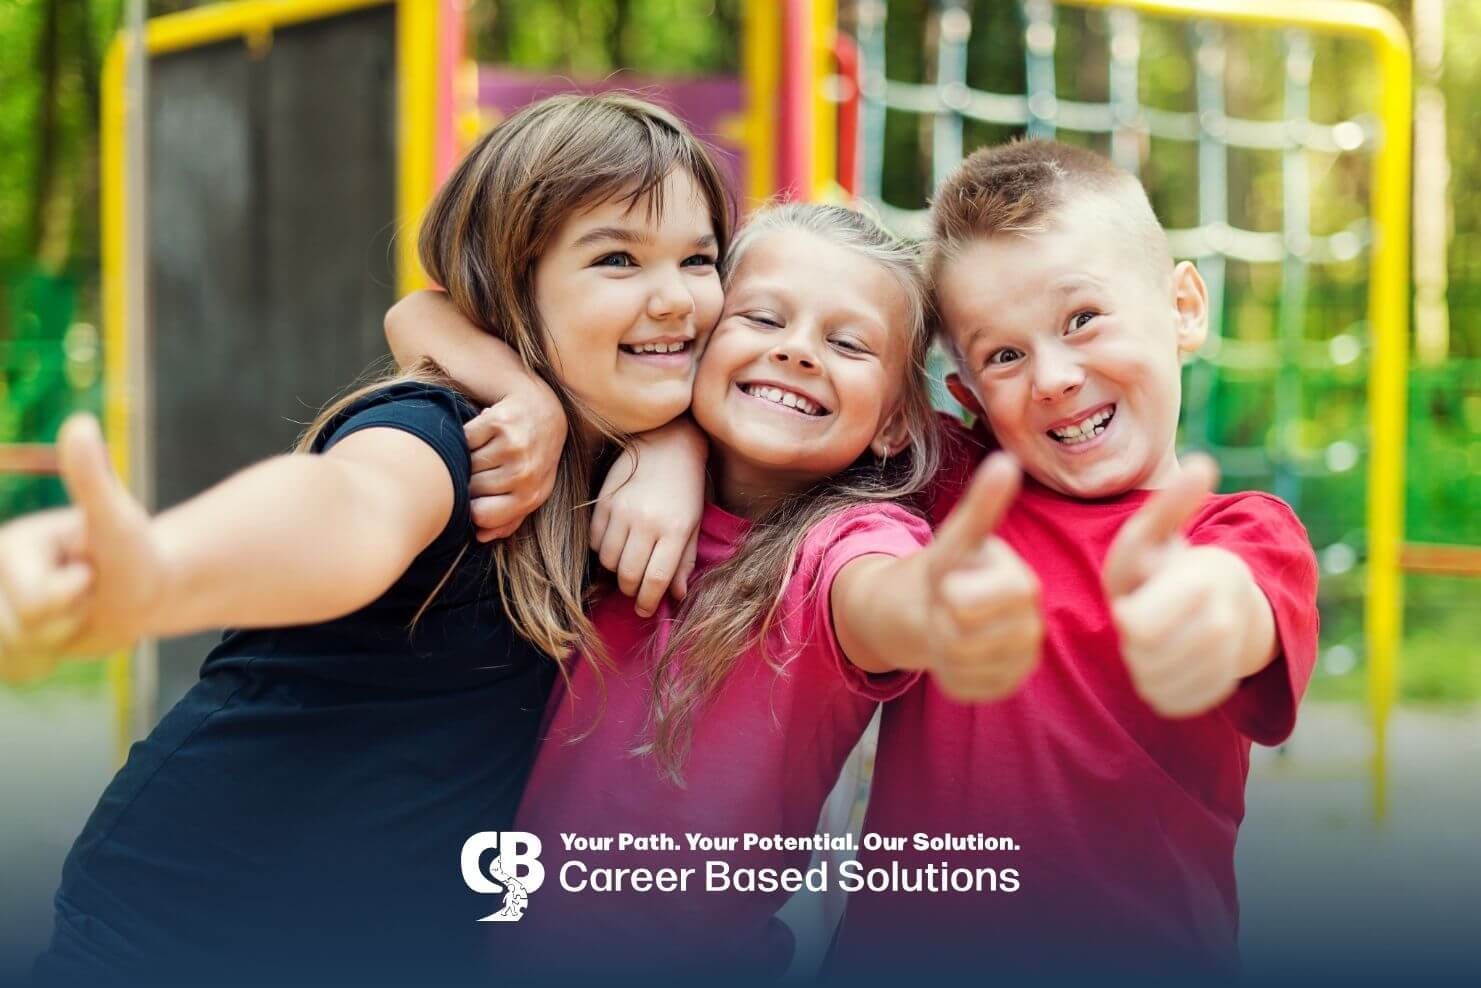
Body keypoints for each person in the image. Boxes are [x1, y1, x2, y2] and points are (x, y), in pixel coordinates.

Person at [0, 92, 732, 985]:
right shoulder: (454, 438)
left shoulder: (645, 448)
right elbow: (351, 506)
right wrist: (162, 569)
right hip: (189, 930)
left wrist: (676, 444)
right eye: (616, 258)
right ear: (511, 285)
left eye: (699, 259)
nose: (675, 298)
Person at [385, 201, 1042, 980]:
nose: (796, 351)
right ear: (692, 344)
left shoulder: (845, 541)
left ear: (894, 423)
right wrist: (616, 427)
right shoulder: (603, 454)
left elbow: (876, 598)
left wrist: (934, 608)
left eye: (846, 343)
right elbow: (416, 314)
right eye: (761, 318)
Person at [826, 139, 1321, 979]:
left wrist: (1195, 610)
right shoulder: (943, 482)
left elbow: (1235, 606)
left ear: (1182, 307)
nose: (1052, 377)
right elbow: (767, 428)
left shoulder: (1240, 534)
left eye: (1082, 318)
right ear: (967, 396)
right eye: (1003, 355)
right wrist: (668, 458)